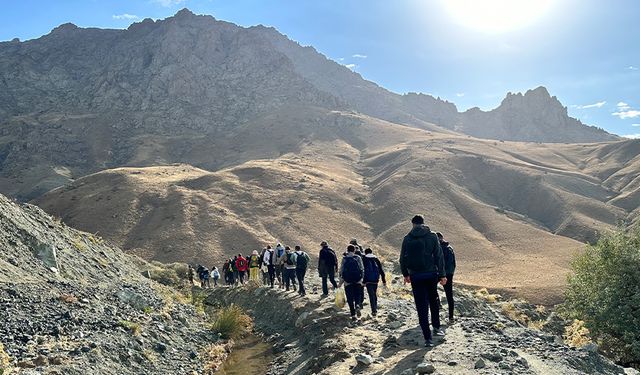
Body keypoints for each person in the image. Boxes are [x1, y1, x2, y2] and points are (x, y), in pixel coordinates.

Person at [400, 215, 447, 347]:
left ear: (413, 224)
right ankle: (436, 328)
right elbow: (439, 256)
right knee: (433, 300)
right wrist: (442, 274)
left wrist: (405, 274)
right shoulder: (432, 236)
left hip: (416, 275)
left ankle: (427, 338)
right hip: (431, 274)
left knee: (421, 305)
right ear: (423, 223)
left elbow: (402, 259)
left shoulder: (407, 238)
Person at [339, 245, 364, 321]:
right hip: (357, 280)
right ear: (354, 250)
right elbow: (362, 269)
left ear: (347, 250)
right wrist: (361, 279)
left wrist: (340, 281)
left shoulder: (344, 259)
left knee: (349, 298)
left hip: (347, 281)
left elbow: (341, 270)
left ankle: (353, 315)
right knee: (357, 294)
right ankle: (357, 305)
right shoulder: (358, 258)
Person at [437, 232, 456, 323]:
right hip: (448, 274)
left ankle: (438, 306)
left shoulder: (438, 248)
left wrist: (441, 274)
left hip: (440, 273)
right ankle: (451, 317)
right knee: (449, 295)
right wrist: (450, 274)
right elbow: (453, 264)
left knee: (431, 290)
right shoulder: (450, 248)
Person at [362, 248, 387, 316]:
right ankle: (375, 308)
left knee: (371, 295)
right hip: (375, 280)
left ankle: (374, 310)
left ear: (365, 253)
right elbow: (381, 270)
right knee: (374, 294)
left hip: (368, 281)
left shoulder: (364, 259)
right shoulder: (376, 259)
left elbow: (364, 271)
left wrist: (363, 281)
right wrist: (384, 280)